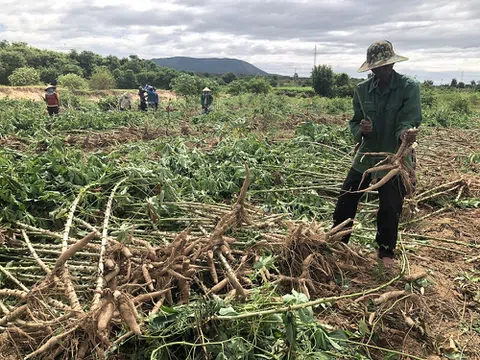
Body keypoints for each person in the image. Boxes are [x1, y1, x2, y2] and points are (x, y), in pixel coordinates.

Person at [331, 40, 422, 267]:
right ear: (371, 68)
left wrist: (405, 134)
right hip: (368, 152)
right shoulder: (361, 91)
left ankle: (386, 252)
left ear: (392, 64)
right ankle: (338, 244)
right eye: (378, 67)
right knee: (346, 198)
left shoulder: (408, 88)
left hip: (395, 156)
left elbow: (409, 119)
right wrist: (360, 129)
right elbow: (354, 122)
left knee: (391, 204)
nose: (383, 70)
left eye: (387, 65)